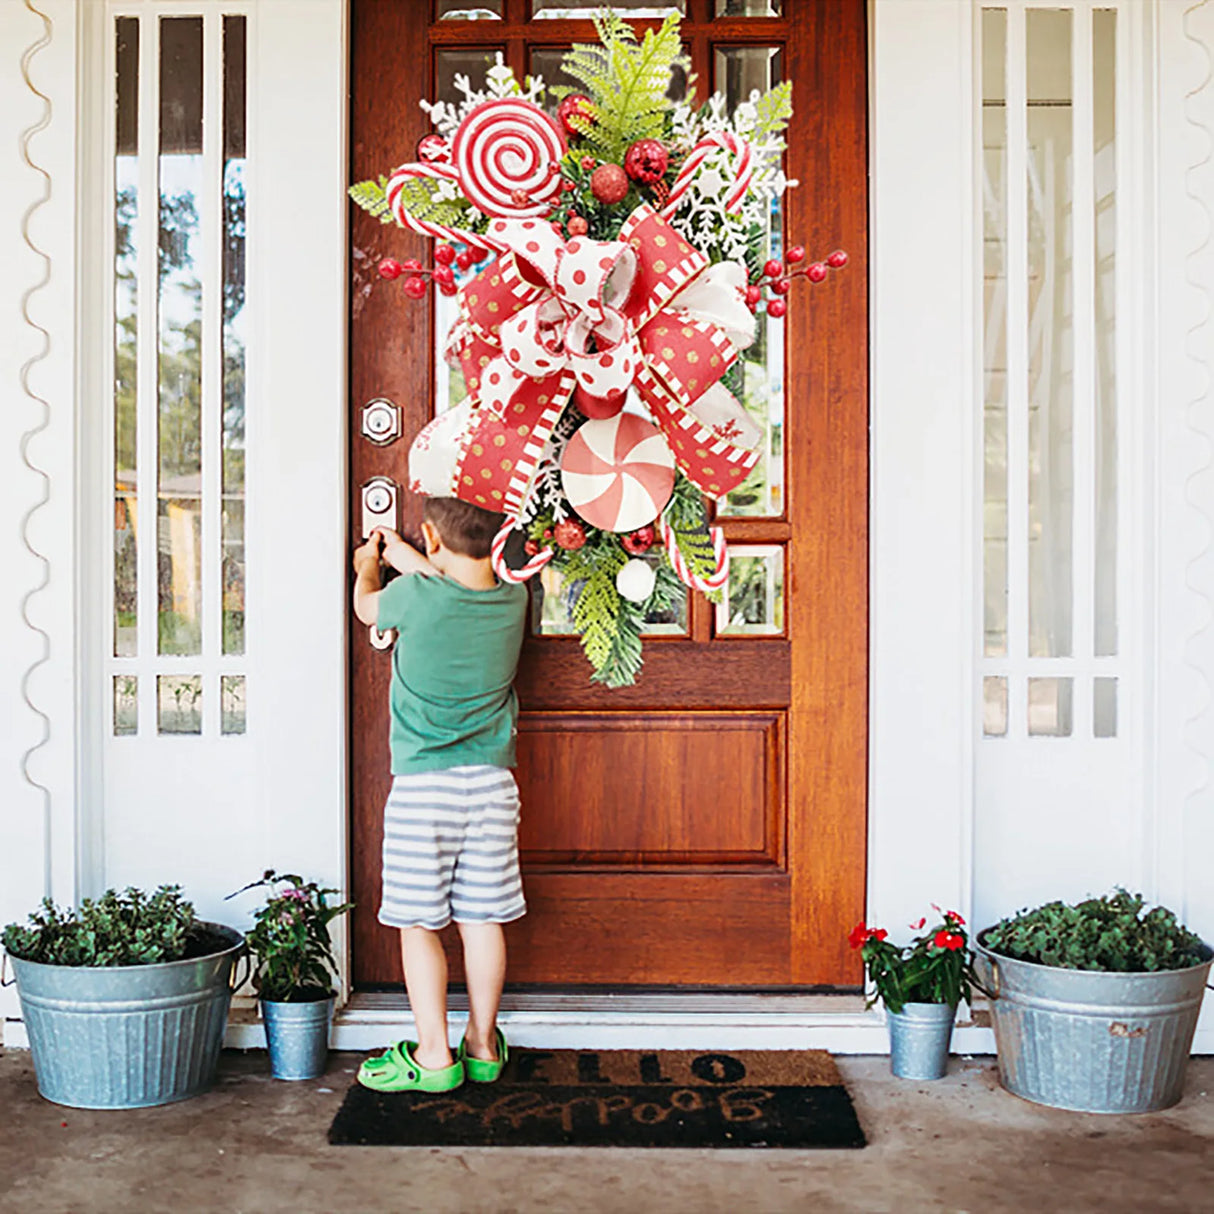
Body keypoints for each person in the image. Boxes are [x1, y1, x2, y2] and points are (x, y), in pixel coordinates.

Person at [351, 496, 528, 1093]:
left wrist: (370, 566)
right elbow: (456, 587)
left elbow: (367, 607)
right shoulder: (514, 600)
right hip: (491, 787)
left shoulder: (412, 596)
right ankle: (482, 1044)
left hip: (425, 789)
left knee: (419, 923)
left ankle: (433, 1054)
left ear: (431, 537)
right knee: (482, 917)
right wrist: (412, 556)